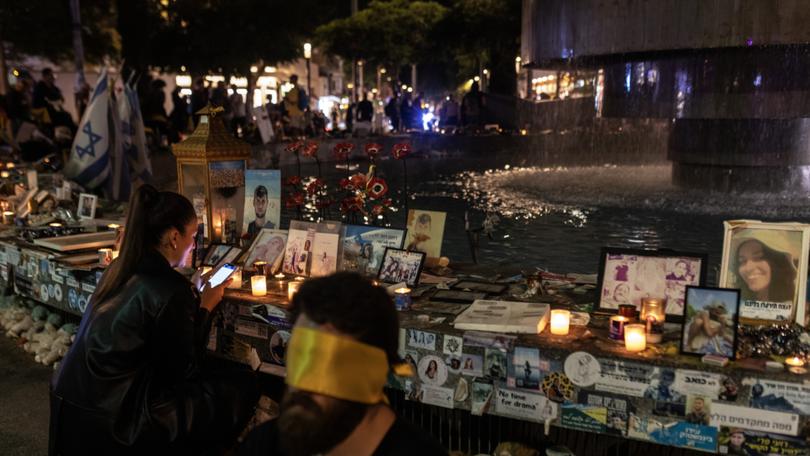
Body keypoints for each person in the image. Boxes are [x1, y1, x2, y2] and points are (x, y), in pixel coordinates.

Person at [50, 185, 259, 455]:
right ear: (174, 237)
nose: (193, 245)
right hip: (122, 419)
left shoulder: (118, 268)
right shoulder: (169, 288)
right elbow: (184, 371)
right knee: (241, 384)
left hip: (74, 401)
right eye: (193, 237)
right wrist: (205, 308)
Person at [238, 272, 447, 456]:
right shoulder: (267, 445)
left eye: (327, 363)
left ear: (371, 373)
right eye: (298, 356)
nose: (302, 384)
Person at [733, 237, 797, 303]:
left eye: (758, 258)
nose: (748, 268)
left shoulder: (796, 304)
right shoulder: (736, 302)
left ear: (777, 261)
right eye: (742, 261)